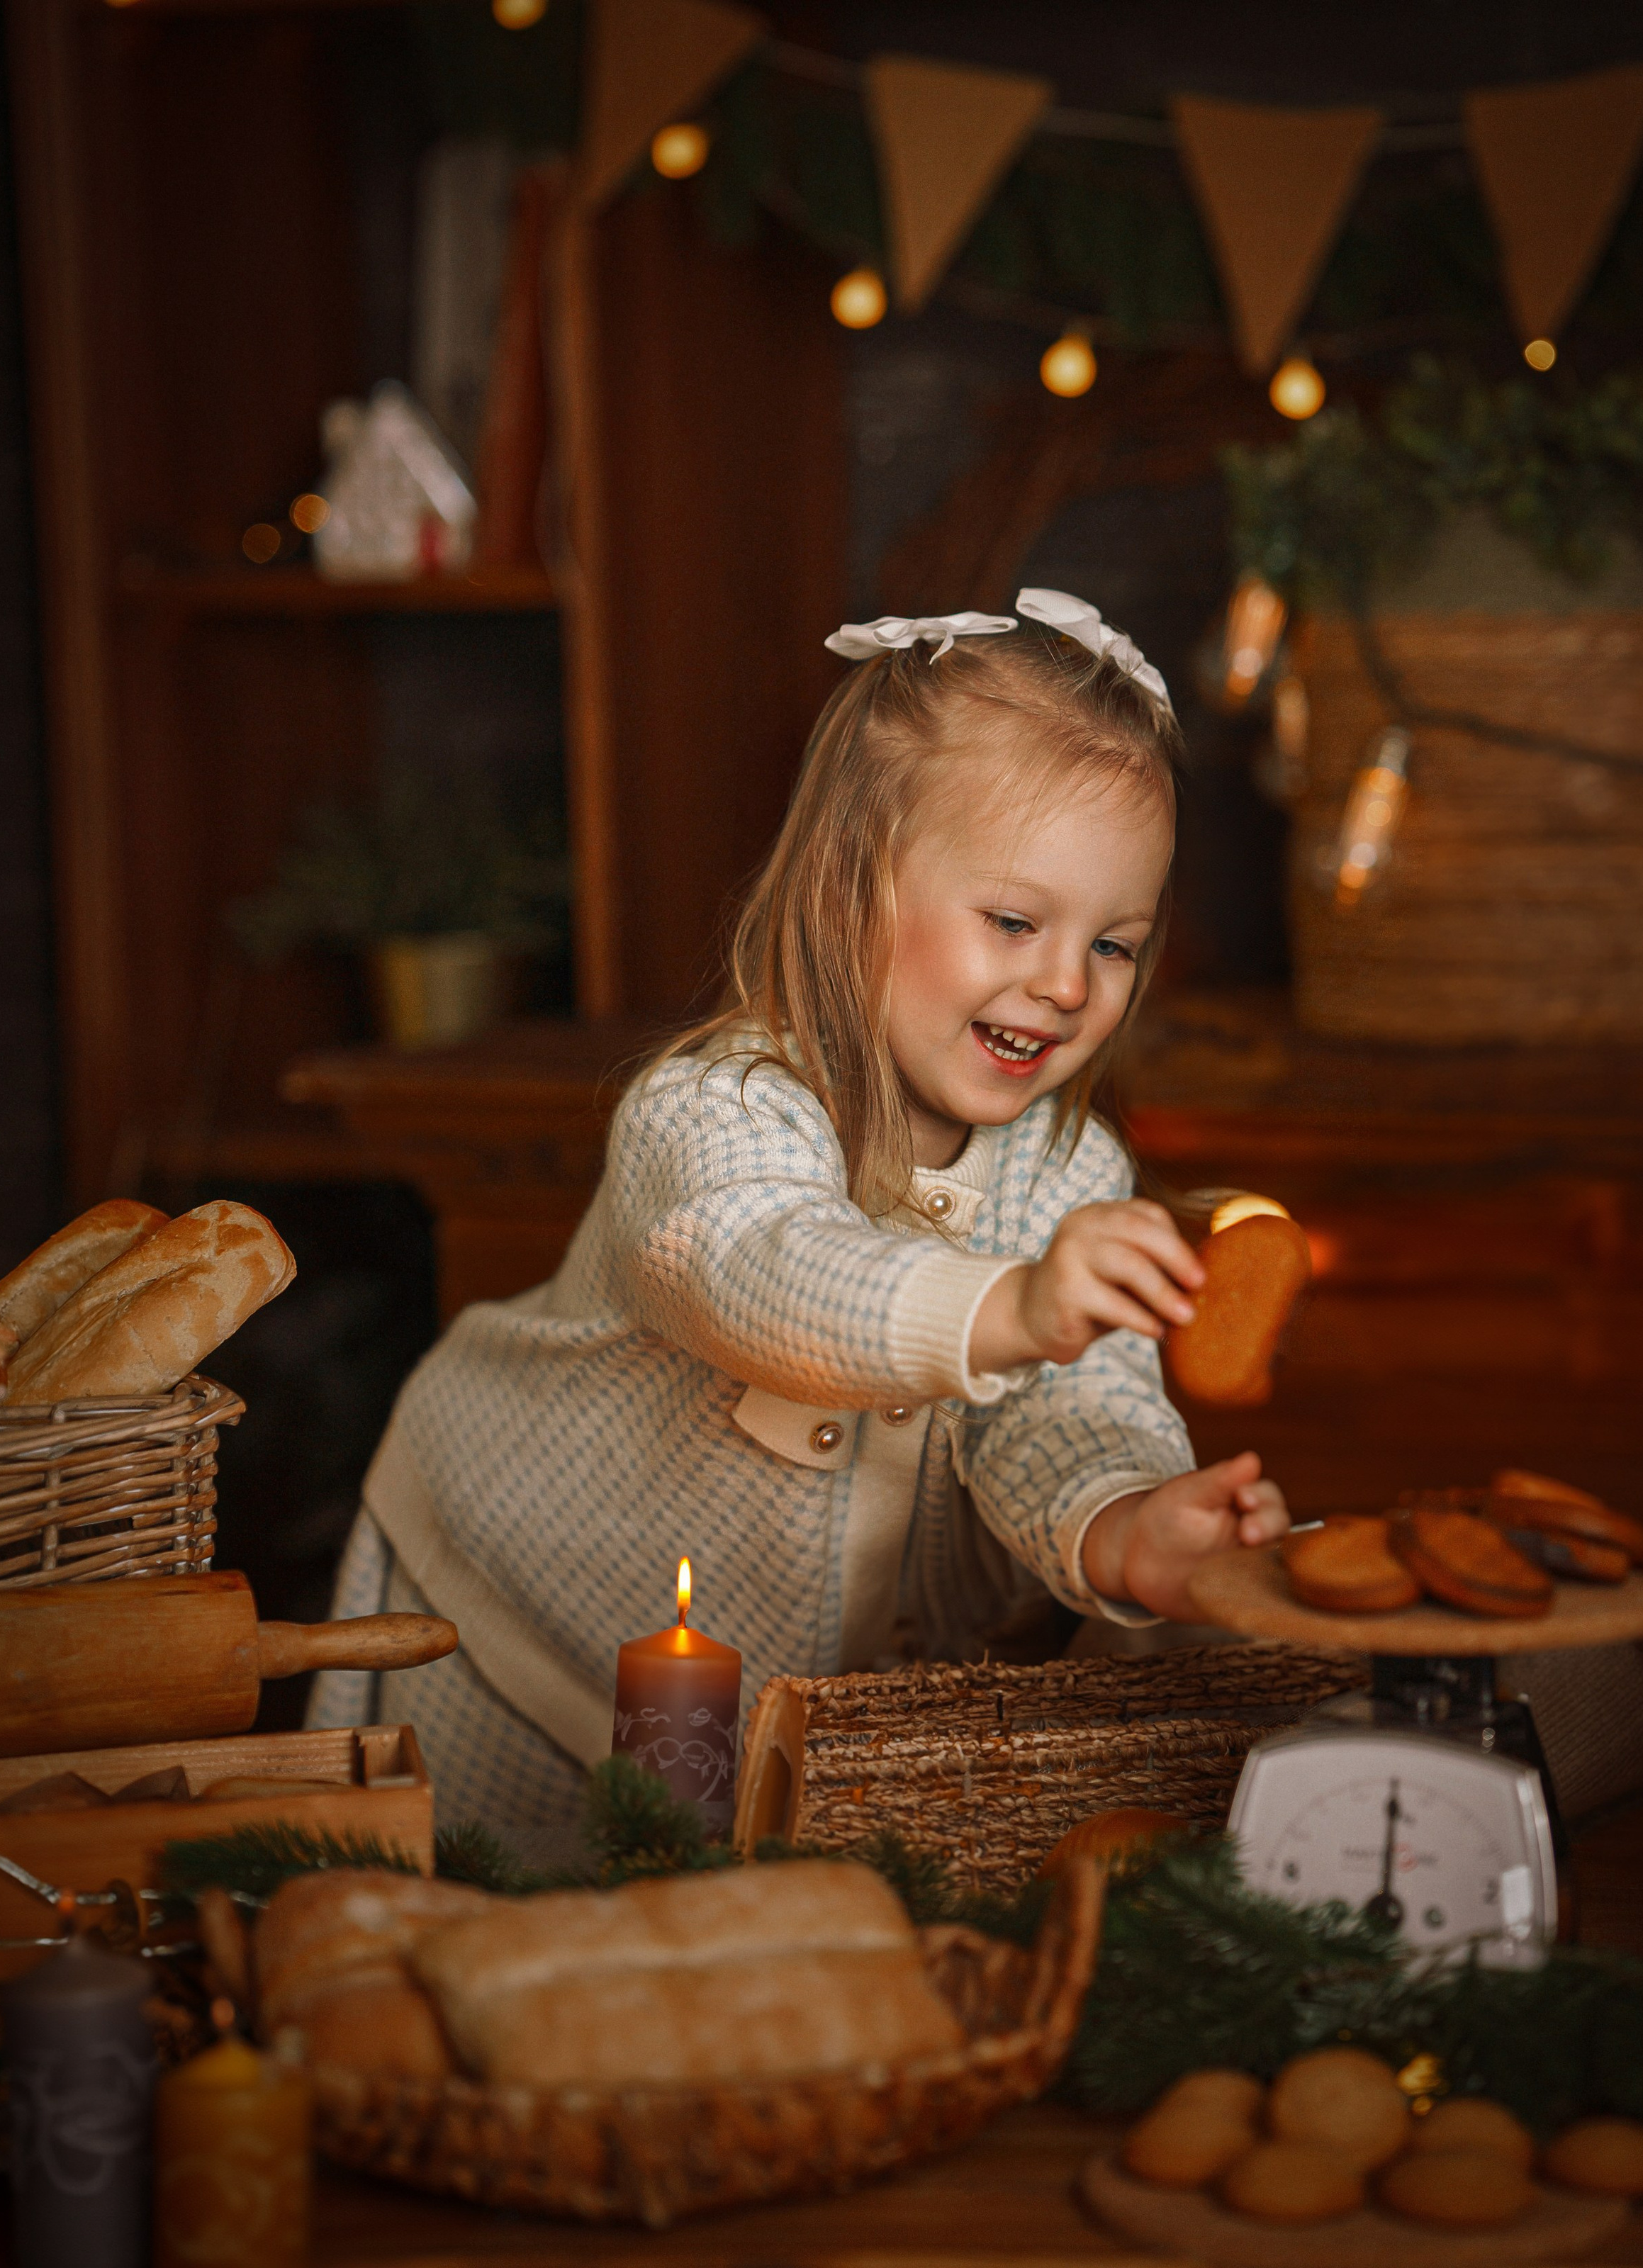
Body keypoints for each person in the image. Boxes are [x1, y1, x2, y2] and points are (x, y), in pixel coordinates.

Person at [310, 590, 1291, 1863]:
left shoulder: (1069, 1169)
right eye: (1014, 921)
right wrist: (1011, 1308)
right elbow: (764, 1274)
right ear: (850, 892)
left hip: (799, 1738)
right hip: (514, 1628)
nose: (1065, 984)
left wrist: (1125, 1526)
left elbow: (1064, 1415)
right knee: (458, 1945)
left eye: (1116, 945)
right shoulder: (711, 1110)